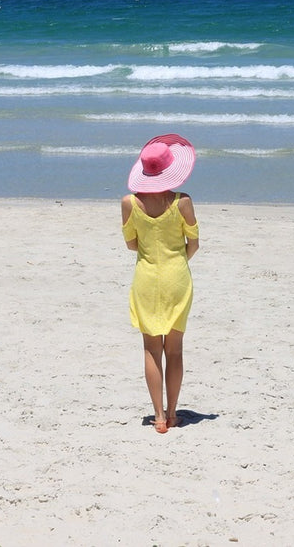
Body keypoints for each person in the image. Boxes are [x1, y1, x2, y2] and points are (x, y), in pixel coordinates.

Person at [121, 133, 200, 434]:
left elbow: (131, 244)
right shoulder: (182, 202)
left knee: (151, 349)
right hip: (176, 277)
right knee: (175, 350)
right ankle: (172, 412)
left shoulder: (129, 202)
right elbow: (193, 243)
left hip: (146, 276)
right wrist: (177, 261)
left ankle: (158, 417)